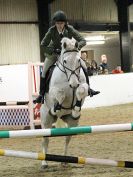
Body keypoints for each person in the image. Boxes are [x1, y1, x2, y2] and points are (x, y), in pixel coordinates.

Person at [34, 10, 100, 104]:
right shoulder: (51, 31)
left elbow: (83, 41)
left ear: (65, 23)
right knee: (44, 71)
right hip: (54, 54)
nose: (59, 25)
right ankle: (41, 94)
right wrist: (52, 50)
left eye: (61, 23)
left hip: (68, 54)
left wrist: (76, 45)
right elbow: (43, 45)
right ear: (55, 23)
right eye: (57, 23)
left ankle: (89, 89)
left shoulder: (70, 29)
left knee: (84, 65)